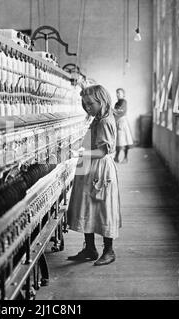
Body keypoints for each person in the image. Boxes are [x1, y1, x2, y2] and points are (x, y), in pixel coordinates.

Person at [67, 85, 122, 266]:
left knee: (103, 209)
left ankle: (109, 250)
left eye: (91, 104)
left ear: (102, 101)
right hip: (90, 168)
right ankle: (90, 248)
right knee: (87, 207)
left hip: (100, 169)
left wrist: (80, 154)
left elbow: (102, 151)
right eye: (85, 104)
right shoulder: (98, 118)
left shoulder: (106, 121)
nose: (88, 107)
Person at [113, 88, 134, 163]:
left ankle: (125, 157)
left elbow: (120, 111)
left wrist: (113, 111)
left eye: (119, 93)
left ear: (123, 94)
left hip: (122, 122)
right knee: (118, 140)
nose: (117, 94)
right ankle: (116, 157)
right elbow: (115, 112)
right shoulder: (117, 103)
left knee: (124, 140)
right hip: (118, 122)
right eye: (117, 93)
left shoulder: (124, 102)